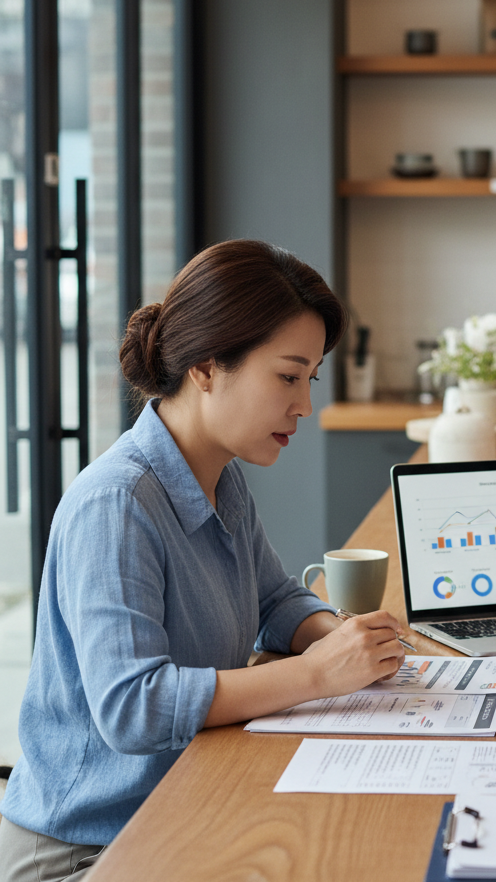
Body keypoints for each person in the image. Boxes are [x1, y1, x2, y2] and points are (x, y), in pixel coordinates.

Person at [0, 240, 406, 881]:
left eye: (310, 381)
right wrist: (315, 676)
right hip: (86, 851)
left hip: (178, 807)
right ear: (208, 367)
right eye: (288, 376)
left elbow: (273, 599)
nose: (304, 405)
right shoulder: (117, 504)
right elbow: (133, 706)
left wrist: (341, 642)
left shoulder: (219, 475)